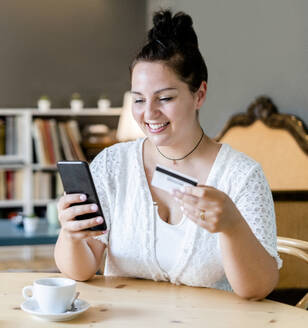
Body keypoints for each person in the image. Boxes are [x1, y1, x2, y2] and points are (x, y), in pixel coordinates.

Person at [54, 9, 281, 300]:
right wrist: (71, 234)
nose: (149, 113)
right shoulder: (112, 165)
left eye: (165, 98)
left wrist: (232, 227)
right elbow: (81, 271)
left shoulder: (241, 176)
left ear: (199, 95)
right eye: (138, 99)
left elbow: (257, 289)